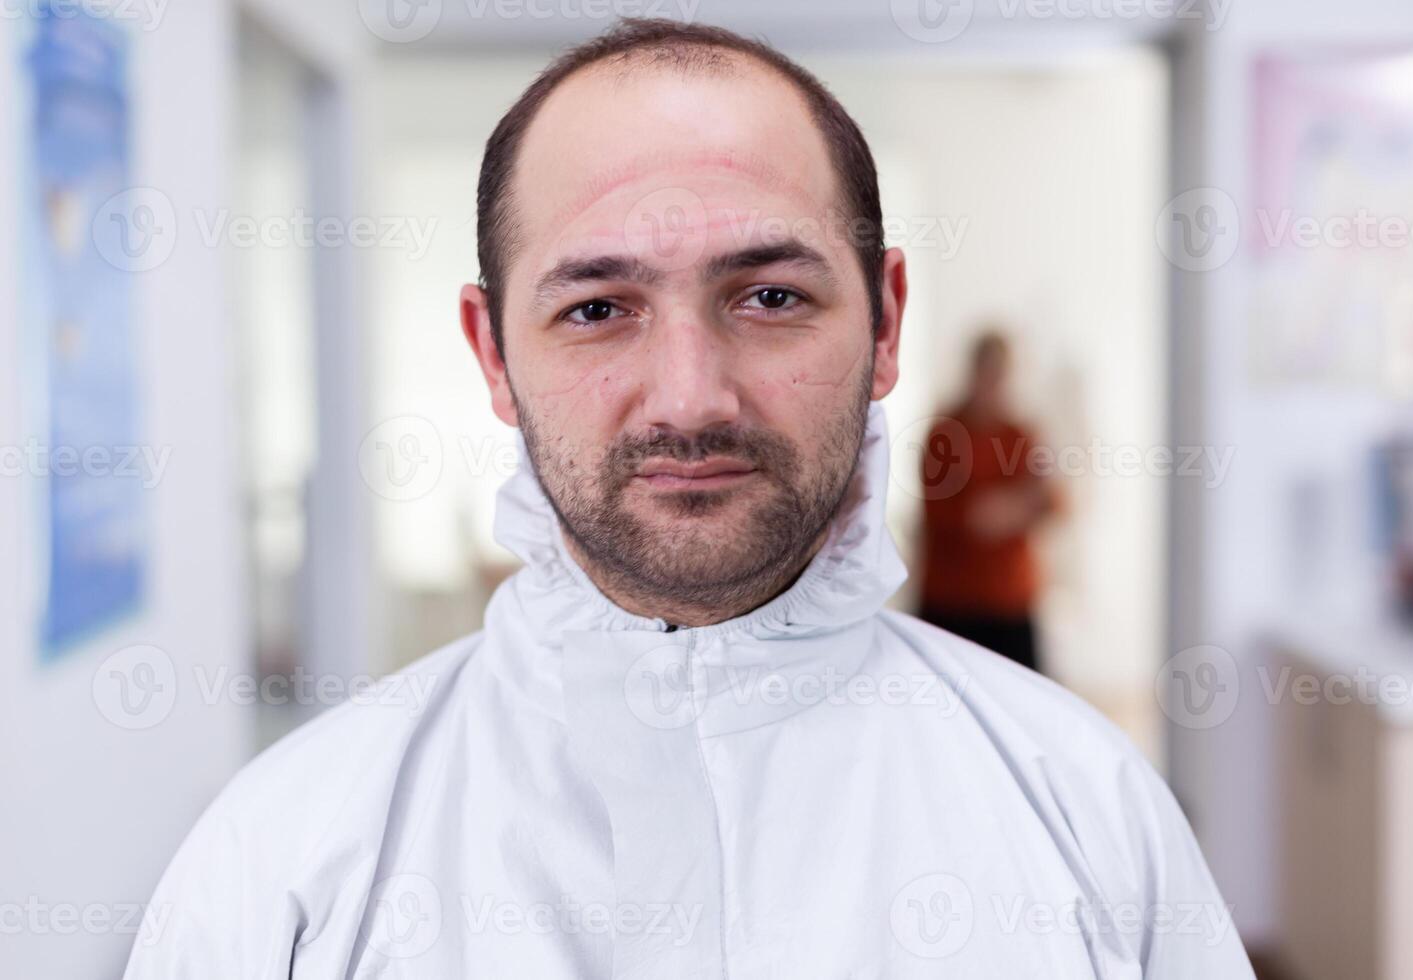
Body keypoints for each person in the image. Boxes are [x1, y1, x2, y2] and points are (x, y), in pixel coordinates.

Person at [124, 19, 1253, 979]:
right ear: (491, 354)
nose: (689, 396)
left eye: (769, 294)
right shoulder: (284, 863)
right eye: (599, 308)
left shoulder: (1091, 815)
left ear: (887, 320)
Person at [919, 332, 1057, 673]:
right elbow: (960, 516)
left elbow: (1051, 501)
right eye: (987, 371)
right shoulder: (945, 434)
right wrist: (1014, 505)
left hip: (1010, 601)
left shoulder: (1020, 435)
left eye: (1001, 373)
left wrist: (1006, 509)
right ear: (974, 371)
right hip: (951, 602)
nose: (993, 382)